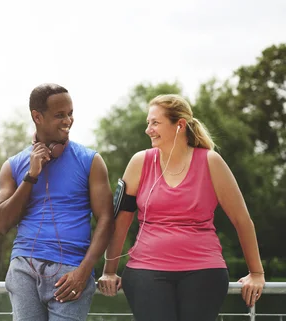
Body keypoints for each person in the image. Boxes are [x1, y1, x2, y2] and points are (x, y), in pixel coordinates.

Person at [97, 94, 266, 321]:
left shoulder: (211, 162)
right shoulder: (140, 162)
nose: (149, 129)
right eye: (148, 123)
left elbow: (242, 220)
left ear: (180, 125)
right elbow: (121, 222)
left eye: (155, 123)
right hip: (146, 270)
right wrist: (109, 271)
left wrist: (256, 273)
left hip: (204, 271)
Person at [0, 83, 115, 321]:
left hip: (71, 271)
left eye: (70, 113)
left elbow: (106, 219)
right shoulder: (13, 166)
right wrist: (31, 176)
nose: (67, 120)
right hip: (24, 268)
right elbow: (2, 223)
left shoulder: (91, 161)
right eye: (60, 115)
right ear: (37, 117)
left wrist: (84, 272)